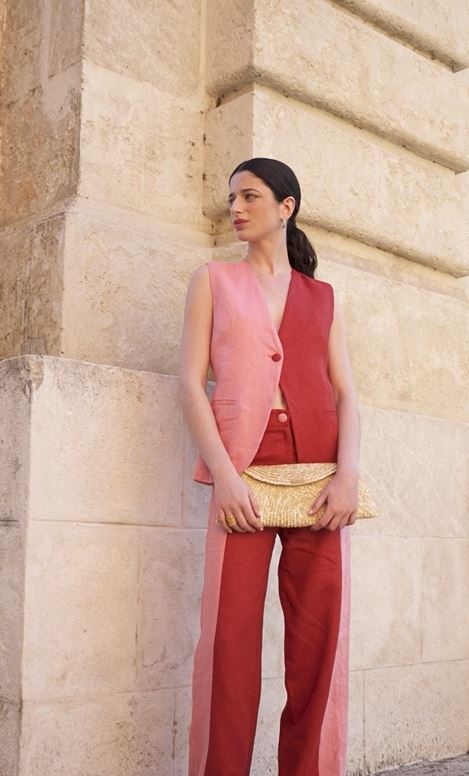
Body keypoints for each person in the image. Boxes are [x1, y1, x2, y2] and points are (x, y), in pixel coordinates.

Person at [178, 157, 360, 776]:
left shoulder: (322, 296)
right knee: (227, 642)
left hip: (318, 480)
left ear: (286, 207)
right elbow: (189, 382)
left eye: (249, 196)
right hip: (242, 475)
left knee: (318, 644)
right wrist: (223, 476)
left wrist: (347, 475)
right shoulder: (213, 281)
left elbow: (346, 393)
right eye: (231, 197)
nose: (235, 208)